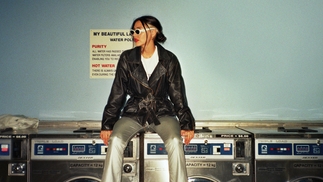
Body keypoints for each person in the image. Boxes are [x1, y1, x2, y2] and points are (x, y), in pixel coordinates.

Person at [100, 15, 195, 182]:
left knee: (174, 140)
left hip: (162, 112)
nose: (133, 34)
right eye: (133, 31)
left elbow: (177, 93)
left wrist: (186, 123)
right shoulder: (127, 58)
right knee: (114, 140)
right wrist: (107, 124)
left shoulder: (169, 59)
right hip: (134, 112)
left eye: (138, 30)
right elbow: (118, 92)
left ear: (152, 32)